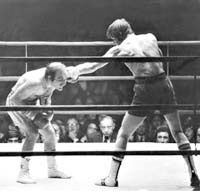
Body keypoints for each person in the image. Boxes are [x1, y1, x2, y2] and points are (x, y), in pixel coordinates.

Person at [69, 18, 200, 187]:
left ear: (117, 37)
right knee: (177, 131)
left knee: (124, 132)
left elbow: (94, 65)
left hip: (145, 88)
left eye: (113, 39)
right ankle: (194, 174)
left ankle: (111, 179)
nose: (113, 42)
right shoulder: (150, 37)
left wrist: (74, 71)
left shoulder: (121, 48)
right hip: (164, 83)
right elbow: (158, 58)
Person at [6, 62, 75, 184]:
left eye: (64, 79)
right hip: (16, 103)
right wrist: (33, 114)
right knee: (32, 133)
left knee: (49, 133)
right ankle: (23, 173)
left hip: (32, 102)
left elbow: (46, 97)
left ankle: (52, 169)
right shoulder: (34, 83)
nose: (64, 83)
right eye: (60, 79)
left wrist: (47, 110)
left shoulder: (54, 79)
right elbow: (14, 99)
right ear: (49, 78)